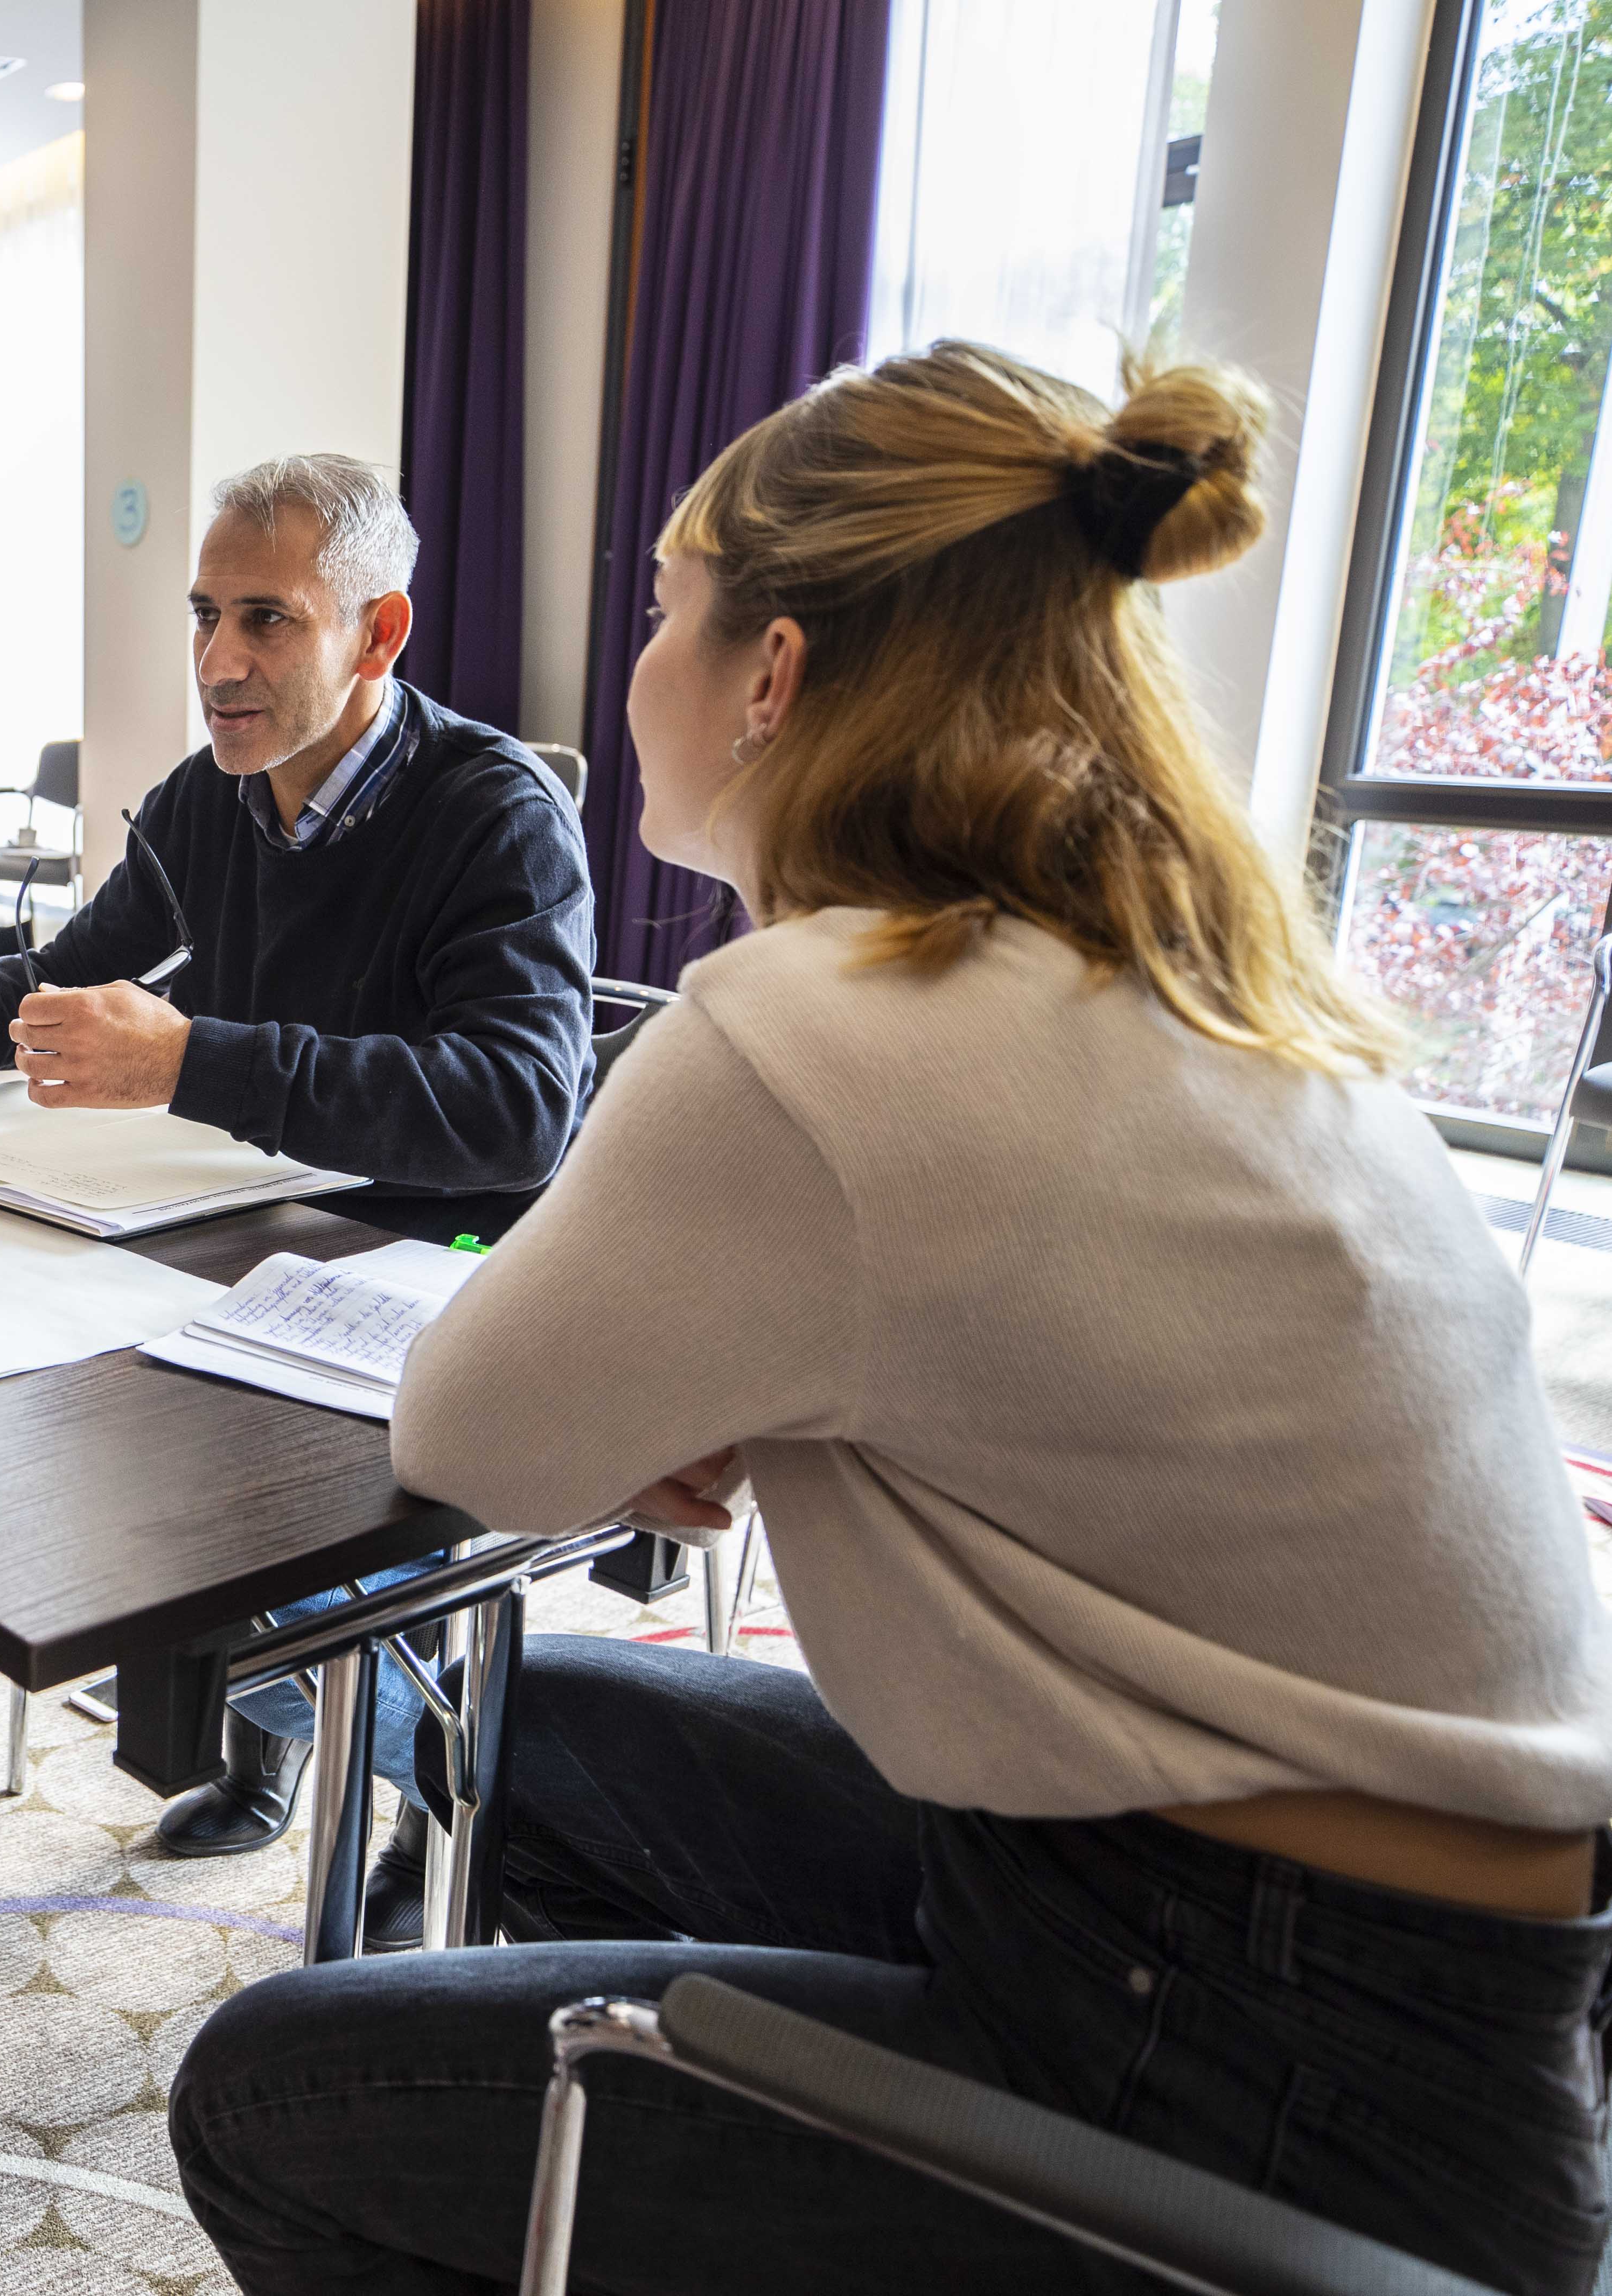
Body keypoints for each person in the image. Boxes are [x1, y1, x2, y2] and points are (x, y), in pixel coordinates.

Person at [167, 345, 1612, 2296]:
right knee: (534, 1722)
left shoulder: (810, 1024)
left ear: (771, 673)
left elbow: (471, 1436)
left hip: (1255, 2051)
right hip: (1432, 1978)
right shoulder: (1169, 954)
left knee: (265, 2099)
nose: (632, 671)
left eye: (661, 613)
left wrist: (723, 1394)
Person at [0, 453, 595, 1934]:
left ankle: (438, 1794)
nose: (217, 664)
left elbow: (515, 1115)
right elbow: (70, 975)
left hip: (447, 1246)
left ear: (378, 632)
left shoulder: (496, 814)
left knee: (232, 1520)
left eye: (269, 623)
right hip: (251, 1230)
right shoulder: (208, 797)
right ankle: (283, 1725)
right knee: (71, 1442)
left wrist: (197, 1061)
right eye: (204, 616)